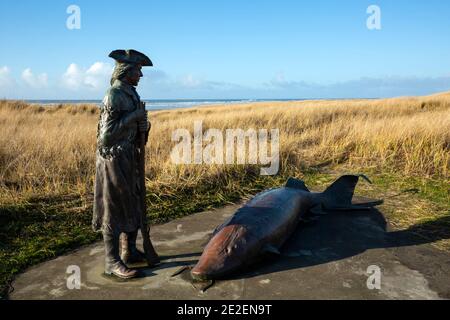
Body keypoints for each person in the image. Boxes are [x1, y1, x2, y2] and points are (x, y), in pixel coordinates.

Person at [92, 49, 159, 279]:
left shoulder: (131, 93)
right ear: (126, 71)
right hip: (112, 160)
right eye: (138, 70)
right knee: (113, 206)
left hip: (128, 156)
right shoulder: (113, 95)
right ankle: (112, 260)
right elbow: (105, 137)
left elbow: (133, 129)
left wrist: (144, 128)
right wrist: (133, 118)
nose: (141, 75)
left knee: (132, 201)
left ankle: (128, 250)